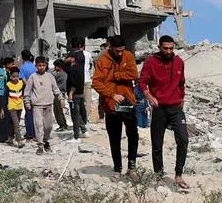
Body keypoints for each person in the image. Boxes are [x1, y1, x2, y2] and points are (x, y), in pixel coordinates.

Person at [139, 35, 189, 190]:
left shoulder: (179, 62)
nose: (168, 51)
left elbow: (182, 82)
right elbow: (142, 82)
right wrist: (149, 97)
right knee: (157, 143)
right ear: (159, 47)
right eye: (165, 48)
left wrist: (181, 98)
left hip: (176, 107)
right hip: (159, 107)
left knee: (183, 139)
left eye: (171, 48)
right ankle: (159, 176)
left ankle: (178, 175)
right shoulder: (151, 62)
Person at [93, 35, 140, 181]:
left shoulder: (128, 56)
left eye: (122, 50)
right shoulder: (102, 60)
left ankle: (132, 166)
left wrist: (115, 75)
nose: (120, 53)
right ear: (110, 47)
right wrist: (112, 95)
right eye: (117, 50)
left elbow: (133, 74)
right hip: (111, 105)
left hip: (127, 102)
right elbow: (96, 82)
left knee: (133, 135)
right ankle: (117, 169)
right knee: (115, 138)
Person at [26, 56, 62, 154]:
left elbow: (55, 88)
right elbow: (27, 90)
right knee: (38, 126)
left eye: (43, 65)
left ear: (46, 65)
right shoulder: (33, 76)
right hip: (37, 105)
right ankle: (40, 145)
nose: (41, 67)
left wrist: (61, 98)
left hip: (48, 104)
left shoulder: (50, 76)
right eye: (39, 65)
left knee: (48, 126)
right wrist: (27, 102)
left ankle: (46, 140)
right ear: (36, 66)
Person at [65, 51, 86, 140]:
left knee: (75, 116)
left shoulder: (73, 69)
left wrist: (70, 93)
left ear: (73, 58)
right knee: (78, 114)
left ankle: (76, 136)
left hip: (74, 95)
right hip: (80, 93)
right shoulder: (80, 67)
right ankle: (84, 129)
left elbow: (74, 83)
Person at [5, 64, 26, 147]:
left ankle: (10, 137)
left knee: (15, 123)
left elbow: (24, 93)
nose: (15, 78)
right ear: (10, 76)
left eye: (17, 76)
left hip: (19, 106)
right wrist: (3, 108)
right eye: (13, 76)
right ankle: (19, 140)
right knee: (16, 124)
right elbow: (5, 96)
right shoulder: (8, 85)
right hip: (11, 107)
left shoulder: (21, 83)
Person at [52, 60, 69, 130]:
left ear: (59, 66)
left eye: (55, 66)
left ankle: (62, 125)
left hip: (58, 94)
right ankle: (64, 124)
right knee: (59, 110)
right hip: (61, 93)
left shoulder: (59, 75)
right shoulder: (64, 74)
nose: (54, 68)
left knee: (57, 110)